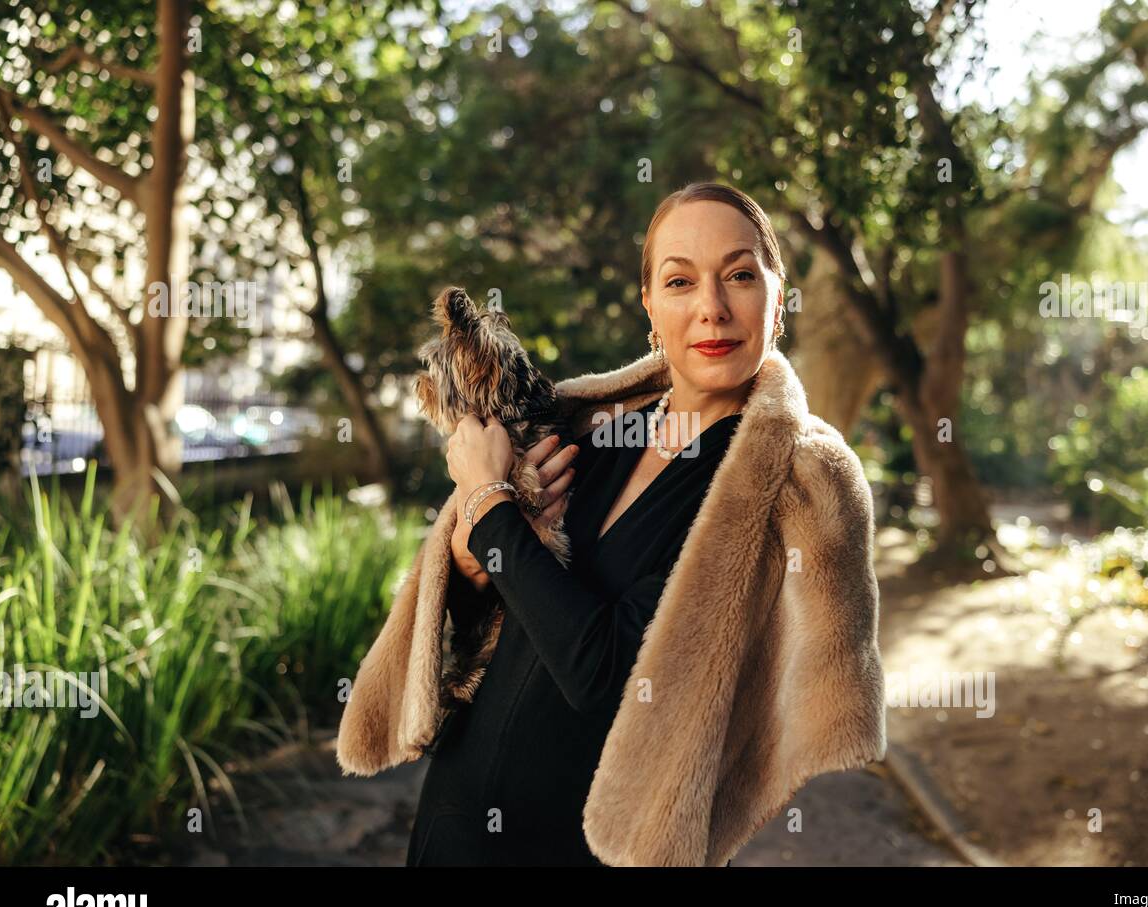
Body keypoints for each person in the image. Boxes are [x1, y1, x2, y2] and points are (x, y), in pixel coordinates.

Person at [343, 181, 886, 867]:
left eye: (740, 275)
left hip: (585, 852)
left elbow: (610, 677)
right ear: (651, 308)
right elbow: (507, 604)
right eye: (680, 280)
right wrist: (475, 555)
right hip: (453, 821)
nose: (712, 309)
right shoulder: (596, 432)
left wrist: (486, 504)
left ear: (778, 300)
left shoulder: (785, 486)